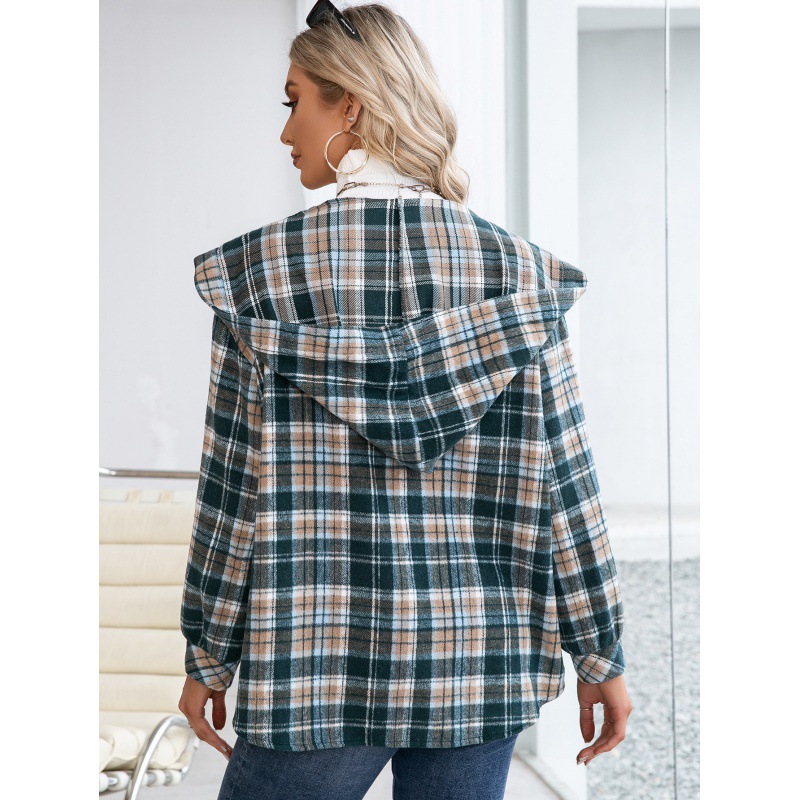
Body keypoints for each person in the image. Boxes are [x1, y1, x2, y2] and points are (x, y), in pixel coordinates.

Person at [177, 2, 632, 798]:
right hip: (479, 662)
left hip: (315, 665)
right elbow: (566, 485)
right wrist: (600, 654)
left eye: (294, 101)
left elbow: (231, 495)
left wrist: (208, 655)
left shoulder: (258, 279)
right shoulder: (518, 279)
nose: (285, 131)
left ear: (349, 105)